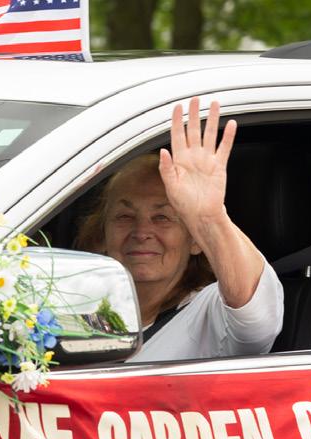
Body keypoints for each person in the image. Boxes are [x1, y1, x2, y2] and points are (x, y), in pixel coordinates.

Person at [75, 97, 283, 362]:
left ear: (195, 240)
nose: (141, 232)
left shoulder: (208, 311)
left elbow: (257, 319)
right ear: (102, 233)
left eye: (162, 217)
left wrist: (209, 217)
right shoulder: (78, 307)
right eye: (125, 216)